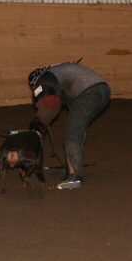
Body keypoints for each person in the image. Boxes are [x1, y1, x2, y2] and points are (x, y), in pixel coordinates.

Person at [27, 60, 110, 190]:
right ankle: (70, 170)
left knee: (72, 132)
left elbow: (50, 103)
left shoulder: (44, 79)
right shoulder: (60, 70)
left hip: (86, 92)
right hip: (103, 89)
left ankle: (74, 177)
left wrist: (36, 125)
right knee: (77, 128)